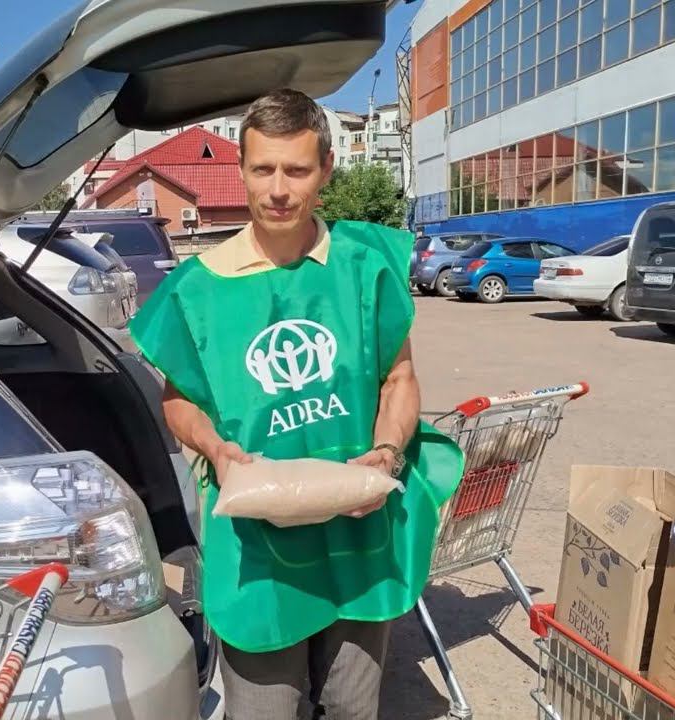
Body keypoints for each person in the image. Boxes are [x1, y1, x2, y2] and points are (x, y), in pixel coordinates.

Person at [129, 88, 463, 719]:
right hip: (259, 547)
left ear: (326, 169)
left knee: (352, 709)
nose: (279, 190)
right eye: (263, 169)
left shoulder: (365, 265)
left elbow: (398, 378)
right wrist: (215, 449)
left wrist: (387, 451)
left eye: (297, 170)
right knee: (265, 711)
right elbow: (179, 403)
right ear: (241, 169)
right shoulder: (198, 289)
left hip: (358, 532)